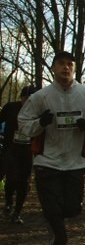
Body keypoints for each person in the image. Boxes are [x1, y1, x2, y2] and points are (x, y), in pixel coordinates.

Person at [17, 50, 85, 245]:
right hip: (47, 160)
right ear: (53, 68)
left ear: (75, 69)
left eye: (70, 64)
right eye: (61, 64)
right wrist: (40, 123)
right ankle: (59, 244)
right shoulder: (41, 97)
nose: (66, 68)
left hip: (75, 162)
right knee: (52, 208)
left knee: (72, 209)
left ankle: (56, 227)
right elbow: (23, 124)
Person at [0, 85, 38, 223]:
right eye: (25, 98)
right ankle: (8, 203)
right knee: (11, 179)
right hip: (11, 149)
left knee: (23, 182)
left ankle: (17, 212)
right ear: (21, 98)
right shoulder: (10, 108)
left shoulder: (37, 112)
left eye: (31, 99)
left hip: (28, 151)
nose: (27, 101)